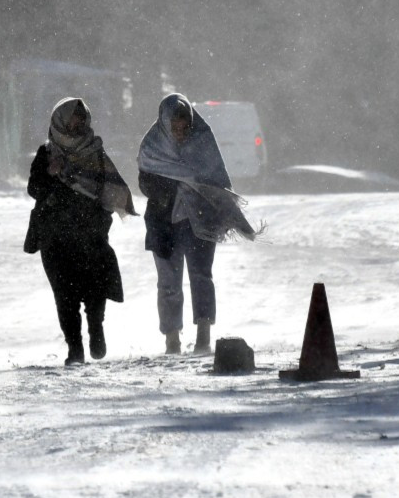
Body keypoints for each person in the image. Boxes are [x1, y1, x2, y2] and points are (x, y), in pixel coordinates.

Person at [138, 93, 257, 355]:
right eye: (175, 127)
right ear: (165, 125)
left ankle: (203, 336)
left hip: (200, 222)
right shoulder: (152, 146)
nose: (180, 133)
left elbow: (217, 184)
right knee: (168, 283)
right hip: (163, 223)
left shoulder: (203, 142)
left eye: (184, 127)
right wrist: (175, 183)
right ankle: (172, 339)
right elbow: (145, 183)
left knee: (201, 277)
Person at [25, 97, 137, 366]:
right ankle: (74, 348)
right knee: (65, 296)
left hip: (90, 235)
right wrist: (52, 174)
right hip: (55, 238)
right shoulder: (47, 153)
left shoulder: (94, 152)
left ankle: (96, 328)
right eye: (73, 117)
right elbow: (34, 190)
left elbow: (108, 187)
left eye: (82, 117)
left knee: (95, 290)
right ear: (61, 119)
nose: (79, 122)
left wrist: (99, 210)